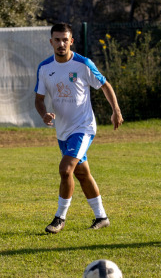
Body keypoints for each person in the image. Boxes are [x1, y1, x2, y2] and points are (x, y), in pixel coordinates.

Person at [34, 23, 124, 234]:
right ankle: (101, 217)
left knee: (66, 169)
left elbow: (105, 85)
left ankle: (59, 219)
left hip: (83, 128)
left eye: (65, 39)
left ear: (71, 41)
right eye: (57, 40)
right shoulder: (45, 68)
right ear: (51, 42)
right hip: (62, 131)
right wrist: (44, 114)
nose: (61, 44)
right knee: (82, 174)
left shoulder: (83, 64)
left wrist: (116, 110)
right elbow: (38, 99)